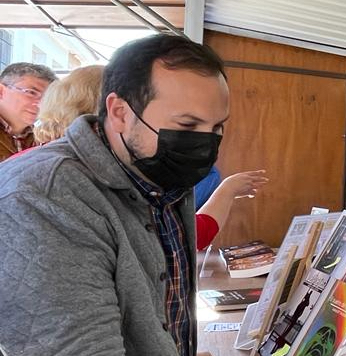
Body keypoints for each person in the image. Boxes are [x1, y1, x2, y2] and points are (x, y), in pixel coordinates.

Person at [0, 35, 231, 356]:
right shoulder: (43, 197)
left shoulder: (161, 182)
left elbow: (152, 296)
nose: (205, 145)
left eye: (217, 128)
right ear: (120, 112)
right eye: (187, 126)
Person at [11, 62, 267, 250]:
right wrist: (228, 190)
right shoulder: (65, 178)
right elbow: (184, 237)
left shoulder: (39, 164)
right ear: (116, 112)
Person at [0, 61, 57, 160]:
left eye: (47, 98)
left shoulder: (43, 140)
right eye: (31, 93)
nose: (40, 104)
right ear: (1, 91)